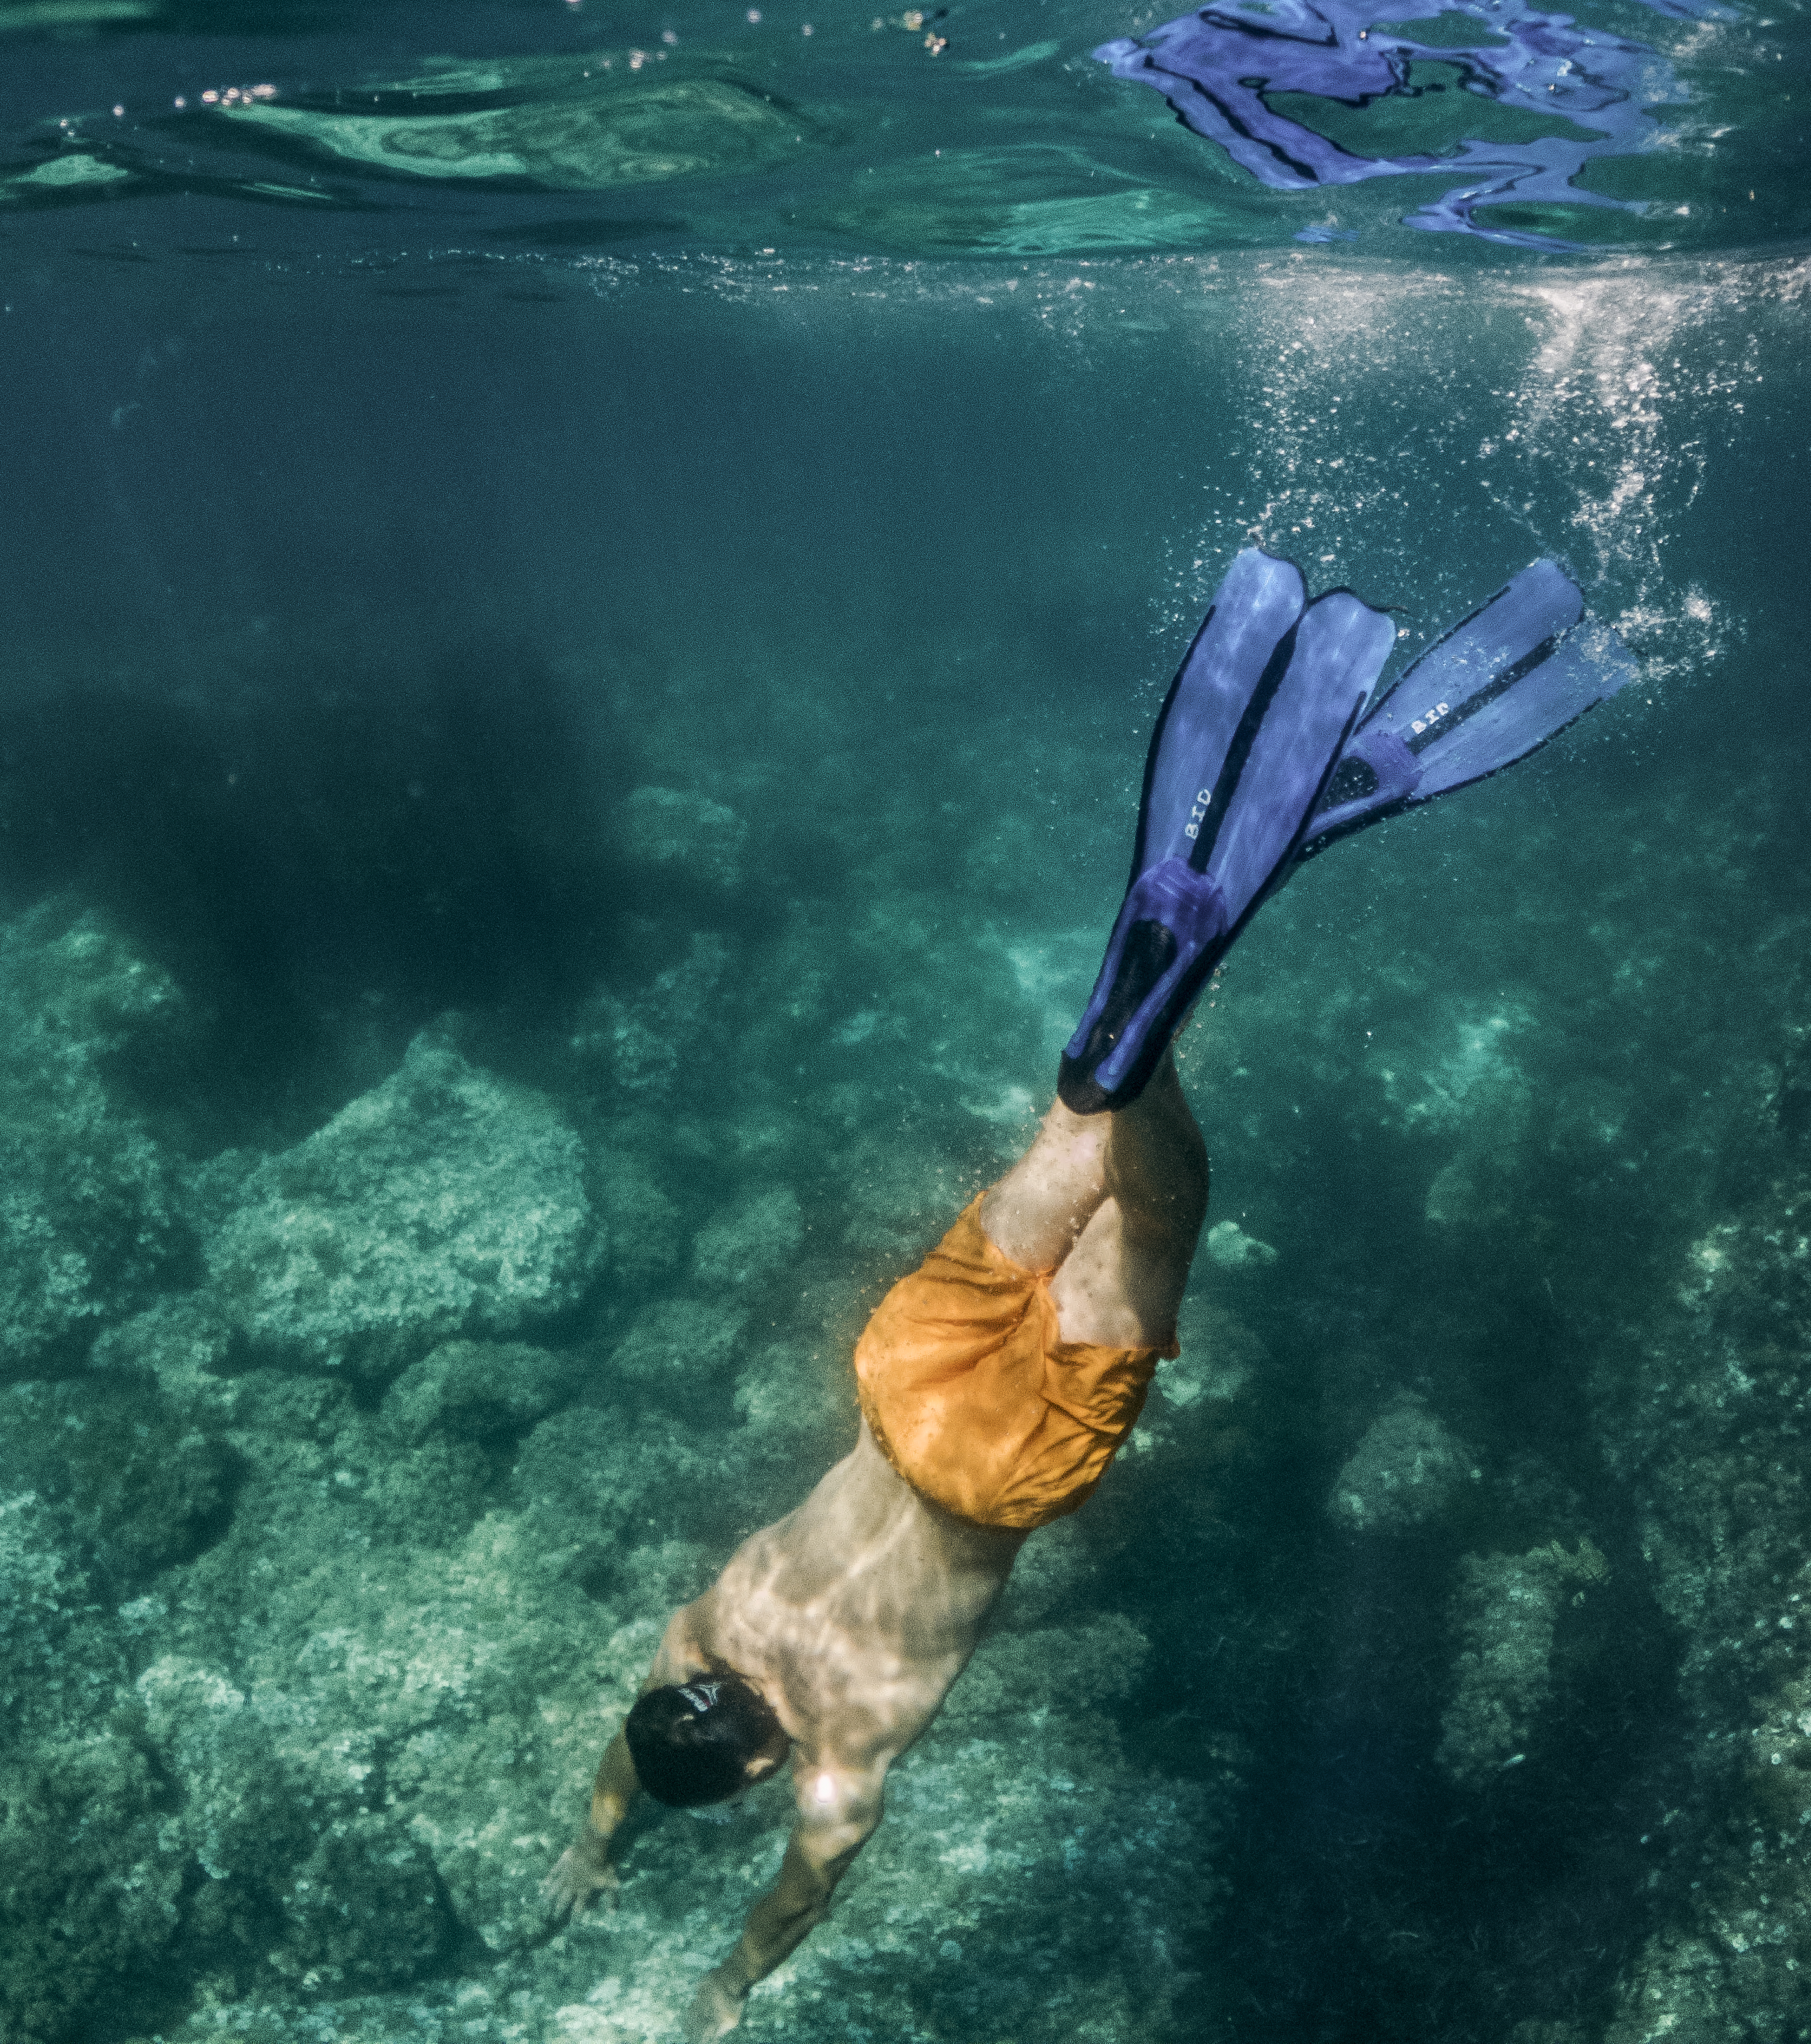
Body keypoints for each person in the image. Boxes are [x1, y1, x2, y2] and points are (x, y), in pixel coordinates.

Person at [539, 544, 1632, 2036]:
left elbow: (804, 1890)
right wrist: (592, 1828)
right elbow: (630, 1745)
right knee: (1071, 1144)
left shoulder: (837, 1762)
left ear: (751, 1765)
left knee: (1163, 1216)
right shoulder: (693, 1640)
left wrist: (731, 1983)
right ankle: (1108, 1059)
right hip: (899, 1380)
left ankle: (1161, 1054)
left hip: (999, 1477)